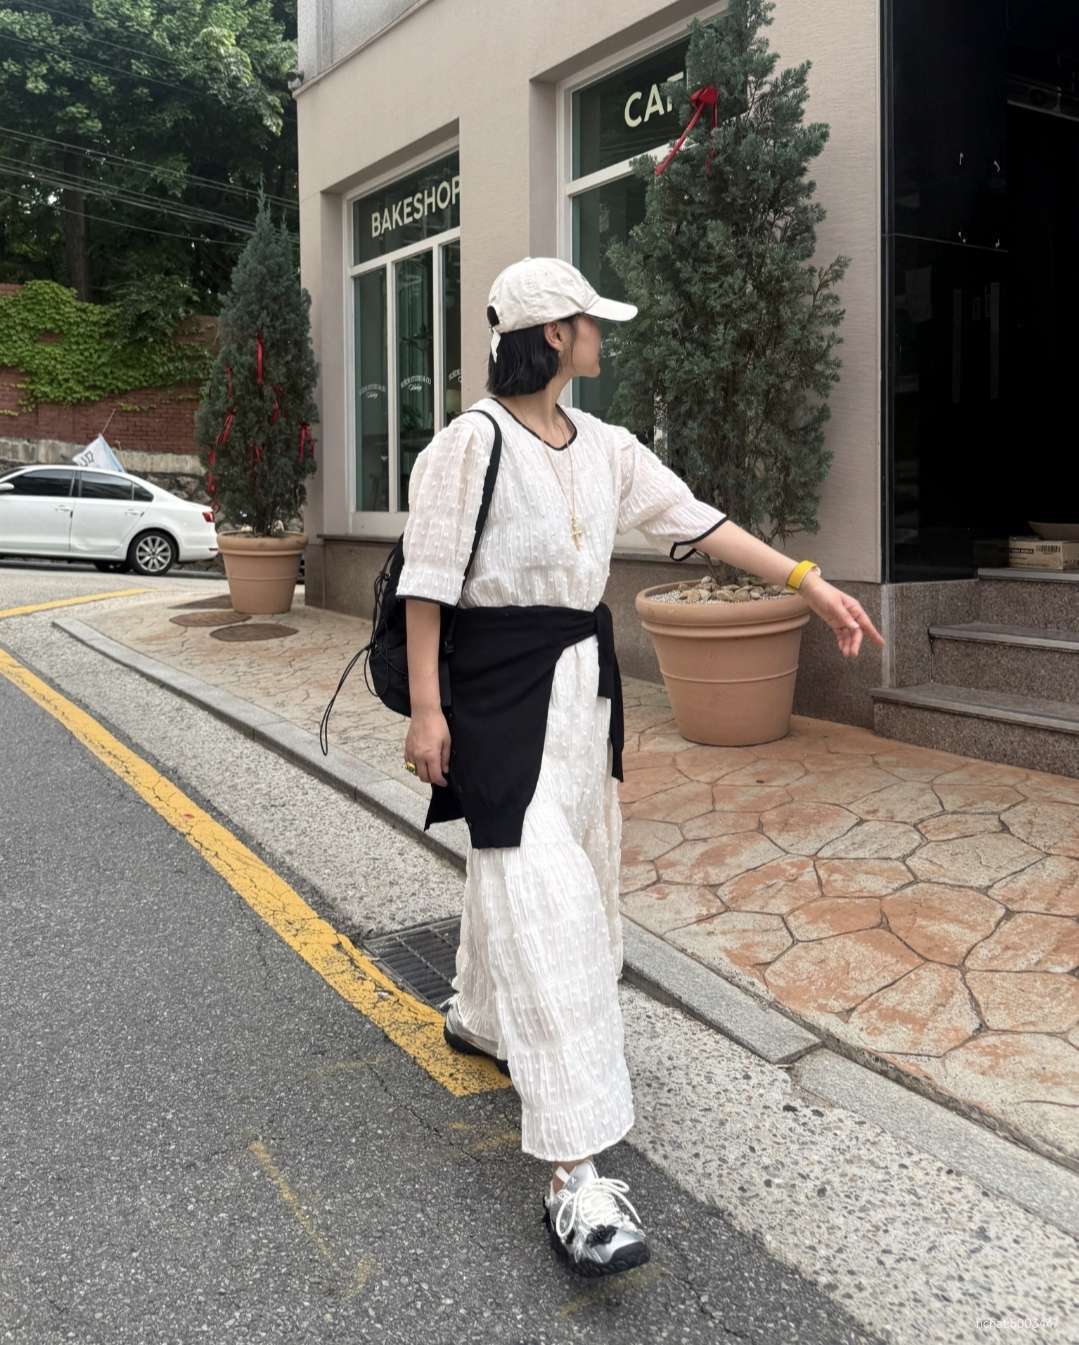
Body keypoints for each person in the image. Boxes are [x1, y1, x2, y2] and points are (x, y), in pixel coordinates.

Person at [395, 256, 886, 1277]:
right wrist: (429, 711)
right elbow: (427, 585)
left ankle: (481, 1018)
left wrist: (807, 580)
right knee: (553, 906)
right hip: (493, 697)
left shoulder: (607, 446)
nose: (600, 337)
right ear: (552, 334)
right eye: (589, 323)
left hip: (581, 695)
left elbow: (695, 519)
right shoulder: (467, 444)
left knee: (544, 872)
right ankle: (574, 1175)